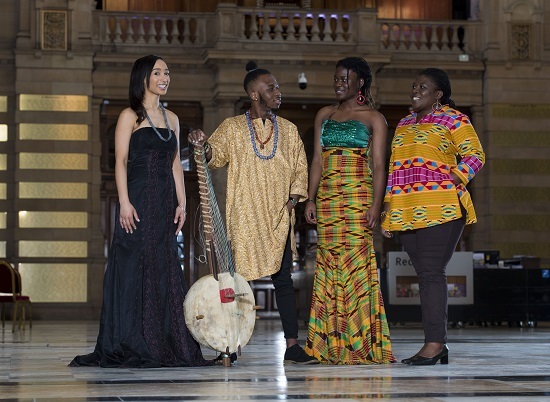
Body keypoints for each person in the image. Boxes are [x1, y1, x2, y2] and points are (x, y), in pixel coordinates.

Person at [70, 55, 211, 368]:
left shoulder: (172, 118)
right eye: (158, 72)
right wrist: (124, 201)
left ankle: (164, 339)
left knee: (163, 266)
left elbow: (176, 164)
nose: (164, 77)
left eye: (167, 72)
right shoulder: (128, 116)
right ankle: (132, 338)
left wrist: (183, 204)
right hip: (136, 199)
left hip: (164, 203)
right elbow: (120, 162)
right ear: (143, 77)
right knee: (134, 266)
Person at [188, 61, 317, 365]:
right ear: (255, 95)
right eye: (271, 88)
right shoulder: (232, 128)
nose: (278, 92)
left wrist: (290, 203)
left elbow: (301, 168)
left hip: (277, 219)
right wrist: (202, 145)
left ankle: (292, 345)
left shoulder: (289, 129)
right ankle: (229, 343)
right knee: (235, 283)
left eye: (278, 87)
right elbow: (214, 155)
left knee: (283, 281)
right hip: (243, 218)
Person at [381, 67, 485, 365]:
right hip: (407, 208)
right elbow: (395, 169)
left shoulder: (454, 119)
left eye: (422, 87)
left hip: (443, 207)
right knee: (426, 275)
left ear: (438, 94)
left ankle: (435, 343)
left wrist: (454, 178)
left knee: (430, 273)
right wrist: (389, 210)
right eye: (413, 86)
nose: (415, 90)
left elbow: (475, 155)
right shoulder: (402, 123)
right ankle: (437, 344)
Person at [303, 57, 395, 365]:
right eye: (336, 78)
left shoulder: (375, 119)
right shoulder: (324, 115)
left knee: (356, 267)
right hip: (328, 201)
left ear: (360, 83)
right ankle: (327, 342)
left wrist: (376, 206)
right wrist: (311, 198)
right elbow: (316, 160)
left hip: (358, 199)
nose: (339, 82)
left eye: (345, 77)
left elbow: (380, 166)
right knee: (328, 265)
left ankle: (358, 343)